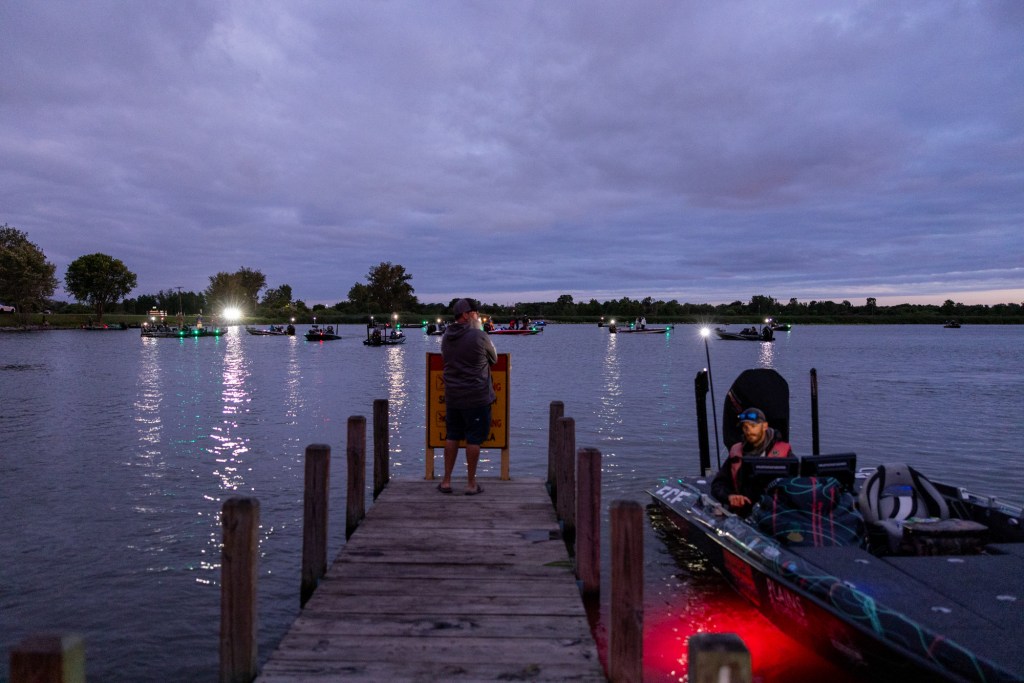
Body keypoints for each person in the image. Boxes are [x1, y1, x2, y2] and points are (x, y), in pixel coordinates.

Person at [439, 298, 498, 495]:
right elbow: (494, 358)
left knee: (452, 436)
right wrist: (480, 331)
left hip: (453, 396)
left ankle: (446, 481)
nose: (478, 316)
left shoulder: (446, 336)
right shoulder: (479, 335)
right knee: (474, 440)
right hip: (476, 397)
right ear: (466, 314)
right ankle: (471, 484)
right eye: (475, 313)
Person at [711, 407, 793, 516]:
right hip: (743, 513)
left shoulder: (784, 453)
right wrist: (729, 497)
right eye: (745, 427)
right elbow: (718, 484)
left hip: (773, 514)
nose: (748, 431)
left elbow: (795, 485)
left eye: (753, 426)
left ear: (765, 426)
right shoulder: (736, 452)